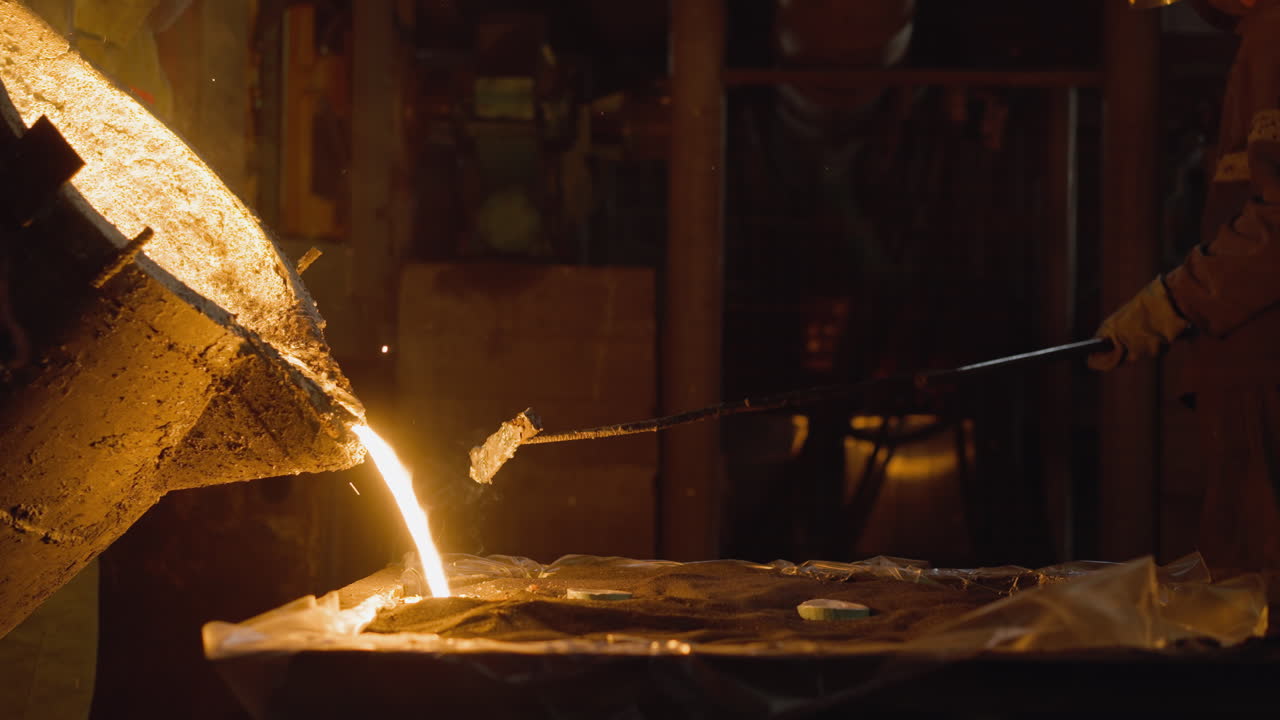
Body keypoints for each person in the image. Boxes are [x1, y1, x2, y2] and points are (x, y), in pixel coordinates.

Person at [1091, 0, 1280, 602]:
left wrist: (1176, 301)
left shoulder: (1276, 32)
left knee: (1258, 602)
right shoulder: (1259, 34)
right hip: (1250, 373)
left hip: (1265, 374)